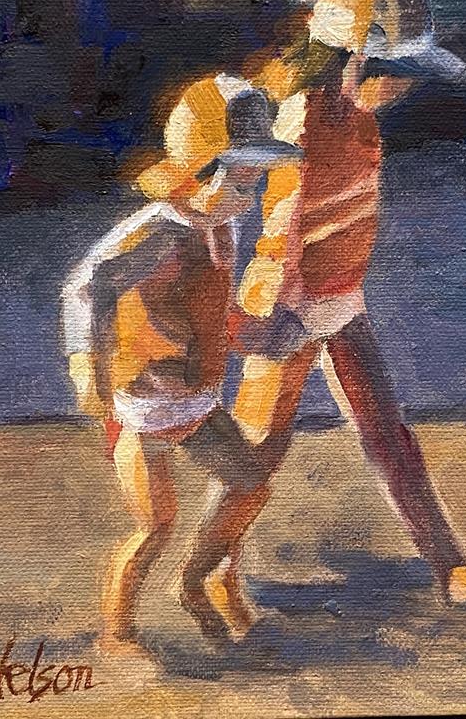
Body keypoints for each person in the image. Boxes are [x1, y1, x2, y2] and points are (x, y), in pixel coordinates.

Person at [179, 0, 466, 630]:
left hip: (340, 296)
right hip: (286, 301)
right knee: (257, 451)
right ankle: (214, 570)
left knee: (388, 434)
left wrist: (341, 290)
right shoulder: (302, 117)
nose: (405, 86)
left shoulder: (362, 122)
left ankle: (451, 569)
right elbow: (283, 221)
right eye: (397, 72)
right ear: (352, 60)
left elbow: (350, 216)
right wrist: (274, 312)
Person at [61, 73, 301, 649]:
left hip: (194, 401)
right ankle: (118, 635)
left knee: (250, 484)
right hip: (141, 405)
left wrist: (254, 335)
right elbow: (86, 289)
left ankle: (194, 582)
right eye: (240, 176)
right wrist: (87, 370)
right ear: (198, 171)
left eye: (255, 177)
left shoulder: (221, 226)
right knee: (155, 525)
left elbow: (209, 308)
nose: (250, 191)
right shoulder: (160, 232)